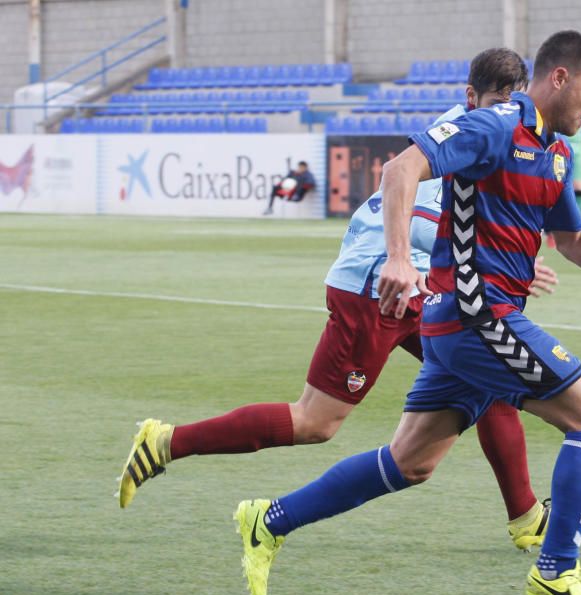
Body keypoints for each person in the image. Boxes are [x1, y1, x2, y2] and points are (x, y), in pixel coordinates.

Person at [233, 30, 581, 595]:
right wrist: (396, 257)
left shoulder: (556, 152)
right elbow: (400, 169)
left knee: (409, 463)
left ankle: (269, 520)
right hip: (477, 315)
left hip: (465, 326)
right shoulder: (494, 126)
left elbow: (570, 238)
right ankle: (556, 570)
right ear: (560, 79)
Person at [118, 48, 558, 553]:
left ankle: (525, 517)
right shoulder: (467, 135)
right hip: (378, 285)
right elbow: (412, 202)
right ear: (469, 98)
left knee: (492, 381)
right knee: (315, 422)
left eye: (511, 101)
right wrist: (459, 254)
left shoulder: (494, 131)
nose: (502, 110)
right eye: (494, 101)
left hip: (423, 289)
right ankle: (168, 441)